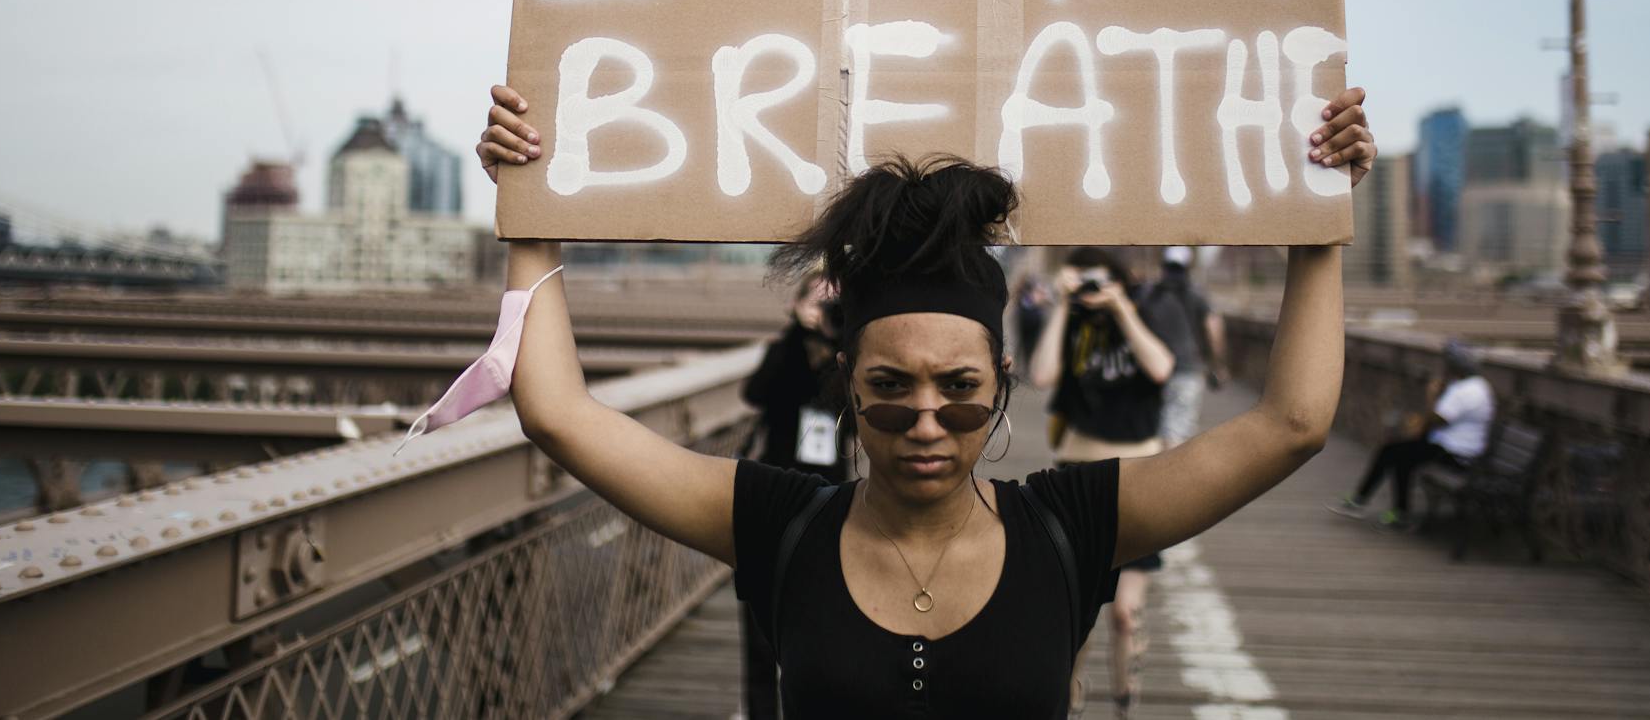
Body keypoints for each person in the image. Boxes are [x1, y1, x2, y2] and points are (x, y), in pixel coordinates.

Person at [475, 80, 1375, 720]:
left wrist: (1319, 220)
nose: (928, 422)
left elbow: (1291, 423)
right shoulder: (777, 522)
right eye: (889, 389)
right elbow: (558, 412)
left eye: (962, 390)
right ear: (848, 389)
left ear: (1004, 385)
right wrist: (531, 205)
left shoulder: (1070, 524)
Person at [1028, 246, 1186, 716]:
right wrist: (1062, 306)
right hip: (1077, 478)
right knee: (1079, 618)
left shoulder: (1148, 310)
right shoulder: (1068, 321)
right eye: (1081, 280)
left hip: (1139, 478)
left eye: (1098, 280)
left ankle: (1124, 702)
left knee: (1124, 613)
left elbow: (1160, 368)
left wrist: (1120, 307)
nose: (1090, 290)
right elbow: (1041, 376)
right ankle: (1072, 704)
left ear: (1119, 279)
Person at [736, 265, 846, 718]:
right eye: (817, 301)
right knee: (760, 622)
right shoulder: (784, 351)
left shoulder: (851, 358)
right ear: (799, 305)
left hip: (829, 499)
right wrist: (796, 339)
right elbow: (756, 393)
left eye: (835, 303)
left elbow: (857, 413)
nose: (825, 311)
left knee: (818, 616)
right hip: (773, 492)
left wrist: (836, 346)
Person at [1331, 340, 1495, 529]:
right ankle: (1384, 506)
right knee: (1396, 453)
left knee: (1394, 453)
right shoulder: (1477, 386)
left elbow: (1438, 419)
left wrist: (1431, 394)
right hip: (1452, 447)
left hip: (1457, 454)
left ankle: (1370, 503)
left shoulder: (1466, 391)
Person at [1151, 246, 1229, 449]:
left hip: (1153, 370)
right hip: (1188, 368)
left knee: (1159, 426)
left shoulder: (1151, 294)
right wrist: (1217, 363)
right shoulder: (1197, 294)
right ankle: (1172, 476)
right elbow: (1214, 328)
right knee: (1178, 427)